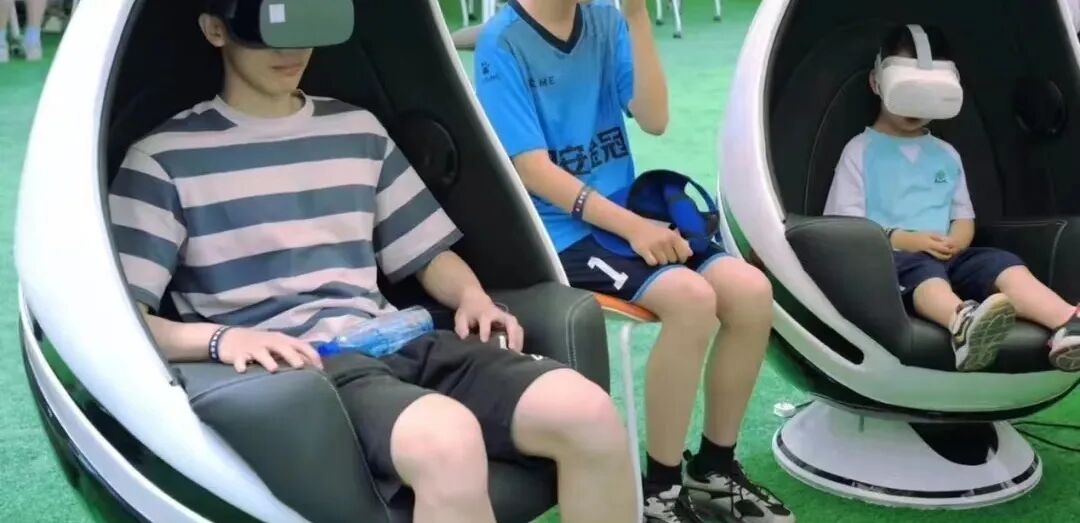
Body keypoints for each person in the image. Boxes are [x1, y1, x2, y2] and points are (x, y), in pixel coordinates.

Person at [106, 3, 639, 522]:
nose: (292, 48)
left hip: (402, 339)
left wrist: (473, 297)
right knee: (448, 443)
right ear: (215, 29)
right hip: (307, 372)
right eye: (267, 29)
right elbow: (120, 322)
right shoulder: (162, 159)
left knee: (588, 414)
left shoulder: (357, 130)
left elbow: (427, 253)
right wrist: (221, 340)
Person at [473, 1, 794, 521]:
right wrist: (634, 228)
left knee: (751, 293)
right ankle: (660, 491)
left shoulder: (606, 17)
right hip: (560, 233)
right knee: (691, 299)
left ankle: (713, 471)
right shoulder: (501, 42)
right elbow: (532, 171)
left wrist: (638, 17)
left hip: (629, 210)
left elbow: (654, 118)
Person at [824, 24, 1080, 372]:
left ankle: (1067, 322)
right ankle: (962, 324)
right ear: (877, 83)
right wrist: (904, 239)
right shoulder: (859, 151)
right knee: (922, 269)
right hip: (893, 260)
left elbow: (962, 216)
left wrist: (958, 241)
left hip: (950, 255)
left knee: (1000, 261)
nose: (917, 106)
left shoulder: (946, 154)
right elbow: (845, 226)